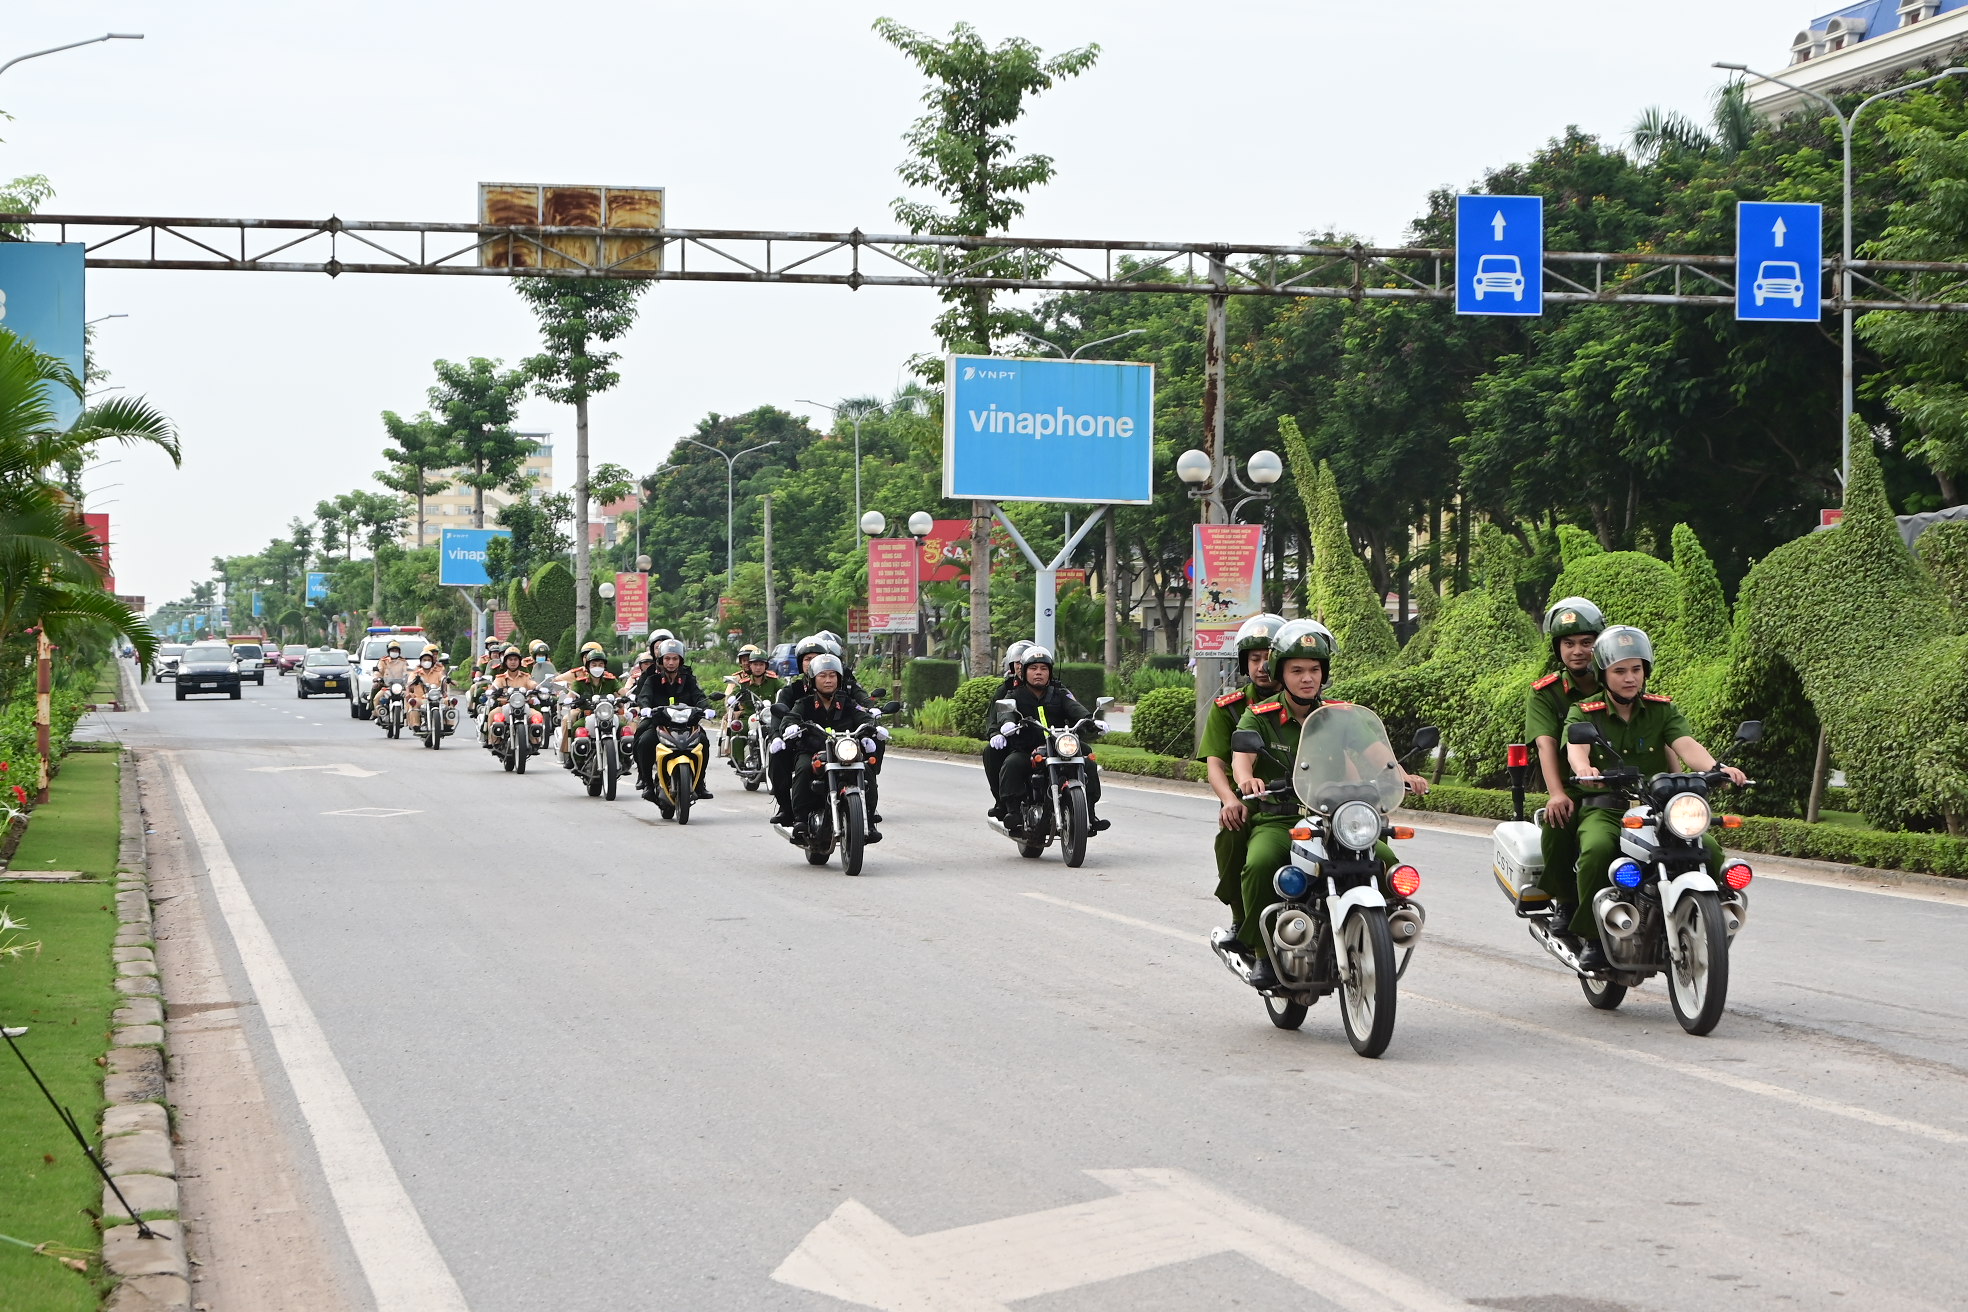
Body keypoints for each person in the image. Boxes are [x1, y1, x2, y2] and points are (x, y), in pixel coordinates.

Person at [1228, 620, 1430, 988]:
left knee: (1386, 862)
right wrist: (1246, 779)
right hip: (1281, 818)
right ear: (1281, 673)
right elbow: (1242, 757)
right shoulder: (1259, 716)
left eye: (1314, 669)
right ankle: (1262, 955)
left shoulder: (1342, 715)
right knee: (1259, 864)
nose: (1307, 678)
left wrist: (1401, 774)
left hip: (1339, 817)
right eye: (1297, 670)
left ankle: (1382, 930)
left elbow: (1378, 756)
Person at [1564, 625, 1746, 973]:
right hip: (1606, 808)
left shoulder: (1662, 710)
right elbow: (1577, 749)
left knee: (1708, 848)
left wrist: (1717, 767)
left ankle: (1706, 921)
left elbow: (1685, 744)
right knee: (1598, 851)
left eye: (1636, 669)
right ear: (1604, 673)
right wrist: (1584, 767)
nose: (1630, 678)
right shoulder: (1585, 712)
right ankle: (1592, 939)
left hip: (1659, 808)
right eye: (1620, 671)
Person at [1200, 613, 1287, 945]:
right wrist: (1231, 799)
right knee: (1233, 832)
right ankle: (1240, 916)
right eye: (1254, 659)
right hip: (1253, 802)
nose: (1262, 666)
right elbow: (1215, 765)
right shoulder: (1231, 709)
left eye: (1268, 658)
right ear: (1244, 662)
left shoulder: (1308, 703)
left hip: (1307, 798)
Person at [1524, 597, 1605, 929]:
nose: (1578, 651)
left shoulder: (1617, 680)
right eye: (1568, 643)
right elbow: (1545, 744)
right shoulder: (1546, 692)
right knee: (1558, 823)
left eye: (1587, 642)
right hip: (1574, 786)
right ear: (1557, 648)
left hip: (1624, 785)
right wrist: (1557, 792)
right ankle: (1567, 901)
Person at [990, 646, 1108, 835]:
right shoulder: (1015, 695)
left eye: (1043, 669)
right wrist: (1007, 724)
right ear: (1025, 671)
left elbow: (1075, 708)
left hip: (1059, 744)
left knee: (1088, 762)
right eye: (1033, 668)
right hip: (1027, 747)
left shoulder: (1059, 694)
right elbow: (1007, 713)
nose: (1038, 673)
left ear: (1050, 672)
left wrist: (1092, 721)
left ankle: (1090, 813)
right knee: (1012, 763)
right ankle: (1014, 814)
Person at [775, 653, 885, 843]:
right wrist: (790, 726)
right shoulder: (805, 703)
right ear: (813, 679)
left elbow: (863, 716)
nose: (828, 681)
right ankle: (800, 820)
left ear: (839, 679)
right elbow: (790, 717)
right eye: (823, 676)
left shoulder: (847, 702)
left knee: (866, 770)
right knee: (803, 768)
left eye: (832, 676)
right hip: (812, 750)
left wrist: (873, 729)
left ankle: (869, 819)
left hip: (844, 750)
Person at [631, 637, 711, 799]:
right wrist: (645, 708)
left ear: (680, 660)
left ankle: (700, 783)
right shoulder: (652, 680)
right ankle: (646, 782)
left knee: (703, 741)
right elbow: (644, 696)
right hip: (659, 723)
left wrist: (707, 709)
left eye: (675, 659)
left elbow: (699, 697)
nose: (671, 662)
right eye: (667, 658)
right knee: (644, 740)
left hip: (687, 724)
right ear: (661, 660)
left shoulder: (689, 679)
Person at [982, 638, 1036, 819]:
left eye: (1026, 663)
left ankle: (1086, 810)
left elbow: (1070, 705)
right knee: (992, 751)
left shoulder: (1054, 688)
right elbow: (995, 717)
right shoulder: (1007, 690)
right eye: (1017, 663)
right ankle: (1002, 801)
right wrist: (998, 733)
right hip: (1016, 741)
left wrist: (1087, 721)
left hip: (1049, 739)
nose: (1021, 667)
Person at [550, 646, 624, 763]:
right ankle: (574, 757)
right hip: (587, 715)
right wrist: (570, 700)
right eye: (594, 664)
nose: (597, 667)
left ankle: (624, 757)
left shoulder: (611, 680)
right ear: (588, 666)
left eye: (600, 664)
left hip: (608, 715)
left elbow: (622, 691)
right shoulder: (580, 682)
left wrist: (628, 696)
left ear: (605, 666)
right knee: (575, 727)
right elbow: (571, 695)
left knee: (624, 726)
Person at [406, 648, 449, 732]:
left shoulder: (437, 672)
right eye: (424, 660)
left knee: (449, 701)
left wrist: (447, 680)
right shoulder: (415, 673)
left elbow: (443, 678)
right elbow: (409, 684)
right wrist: (414, 682)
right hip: (421, 699)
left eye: (429, 660)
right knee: (413, 702)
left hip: (436, 698)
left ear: (432, 661)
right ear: (421, 661)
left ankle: (448, 724)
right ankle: (416, 725)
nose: (427, 661)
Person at [370, 640, 411, 719]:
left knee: (410, 697)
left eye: (396, 650)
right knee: (376, 698)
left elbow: (407, 671)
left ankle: (408, 714)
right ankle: (376, 712)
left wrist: (409, 678)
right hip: (387, 686)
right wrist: (377, 678)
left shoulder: (403, 661)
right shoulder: (383, 661)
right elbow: (379, 670)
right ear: (389, 651)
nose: (394, 652)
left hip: (400, 687)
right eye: (392, 650)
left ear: (399, 652)